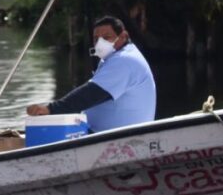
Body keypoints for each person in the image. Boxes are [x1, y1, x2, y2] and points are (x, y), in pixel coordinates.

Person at [27, 15, 155, 132]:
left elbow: (91, 93)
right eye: (96, 39)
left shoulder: (124, 61)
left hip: (121, 139)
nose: (100, 43)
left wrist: (51, 109)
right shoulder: (113, 57)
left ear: (123, 36)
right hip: (102, 135)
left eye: (106, 37)